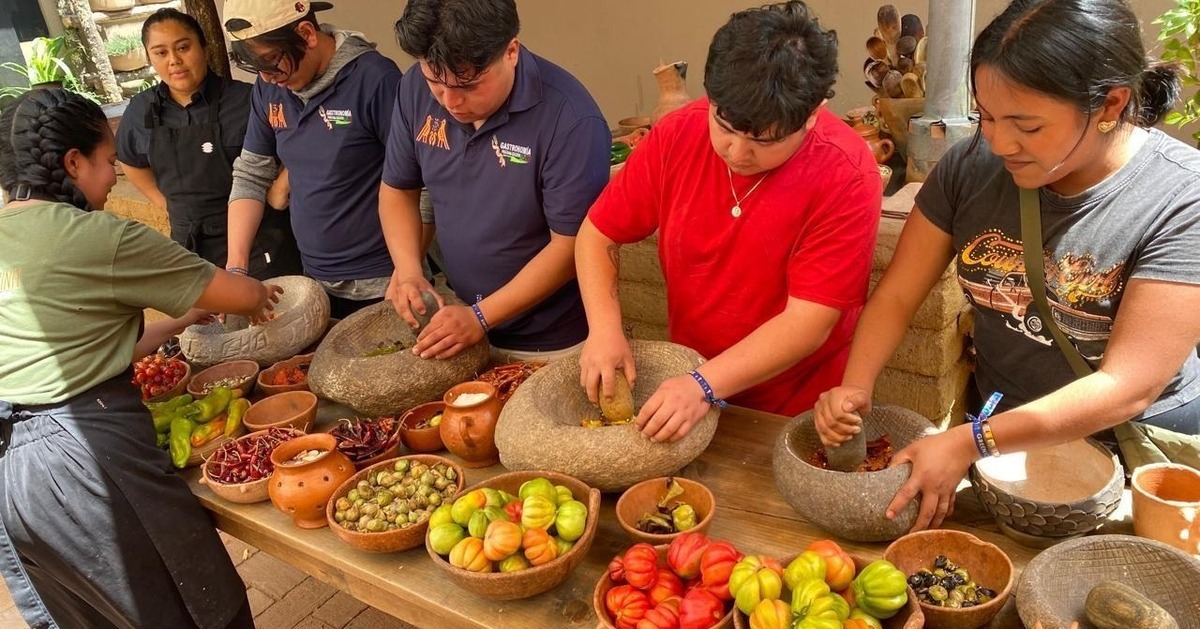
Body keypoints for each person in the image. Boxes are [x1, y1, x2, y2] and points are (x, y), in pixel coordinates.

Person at [815, 0, 1200, 533]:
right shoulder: (970, 168)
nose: (998, 142)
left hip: (1135, 452)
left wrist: (970, 441)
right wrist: (855, 387)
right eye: (987, 117)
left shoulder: (1181, 199)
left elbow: (1127, 385)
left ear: (1112, 104)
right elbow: (899, 295)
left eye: (1026, 125)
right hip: (1004, 441)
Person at [0, 89, 280, 628]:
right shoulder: (94, 234)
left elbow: (79, 354)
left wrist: (177, 320)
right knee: (193, 608)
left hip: (13, 475)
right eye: (109, 163)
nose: (112, 179)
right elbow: (239, 295)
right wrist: (251, 291)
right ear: (73, 162)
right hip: (86, 462)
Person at [576, 1, 881, 442]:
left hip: (794, 410)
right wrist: (604, 329)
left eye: (763, 141)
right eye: (725, 126)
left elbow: (808, 322)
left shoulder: (847, 173)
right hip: (688, 385)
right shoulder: (678, 133)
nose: (737, 153)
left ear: (813, 114)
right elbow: (598, 234)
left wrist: (704, 385)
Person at [380, 0, 610, 362]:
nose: (450, 101)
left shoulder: (570, 119)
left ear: (511, 51)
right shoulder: (413, 89)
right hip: (457, 318)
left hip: (547, 341)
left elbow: (571, 248)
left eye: (469, 85)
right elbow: (398, 189)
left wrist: (481, 316)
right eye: (435, 83)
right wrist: (408, 269)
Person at [224, 0, 402, 317]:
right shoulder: (269, 90)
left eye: (272, 61)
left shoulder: (374, 79)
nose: (267, 78)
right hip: (315, 277)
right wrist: (236, 268)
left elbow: (416, 180)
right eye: (256, 67)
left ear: (306, 33)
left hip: (385, 280)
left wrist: (409, 268)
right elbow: (251, 174)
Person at [117, 8, 303, 280]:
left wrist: (280, 185)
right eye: (161, 53)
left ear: (203, 47)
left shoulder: (247, 99)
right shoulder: (140, 110)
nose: (174, 61)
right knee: (207, 322)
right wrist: (163, 202)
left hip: (260, 242)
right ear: (150, 58)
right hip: (189, 247)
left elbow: (300, 139)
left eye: (183, 47)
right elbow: (129, 159)